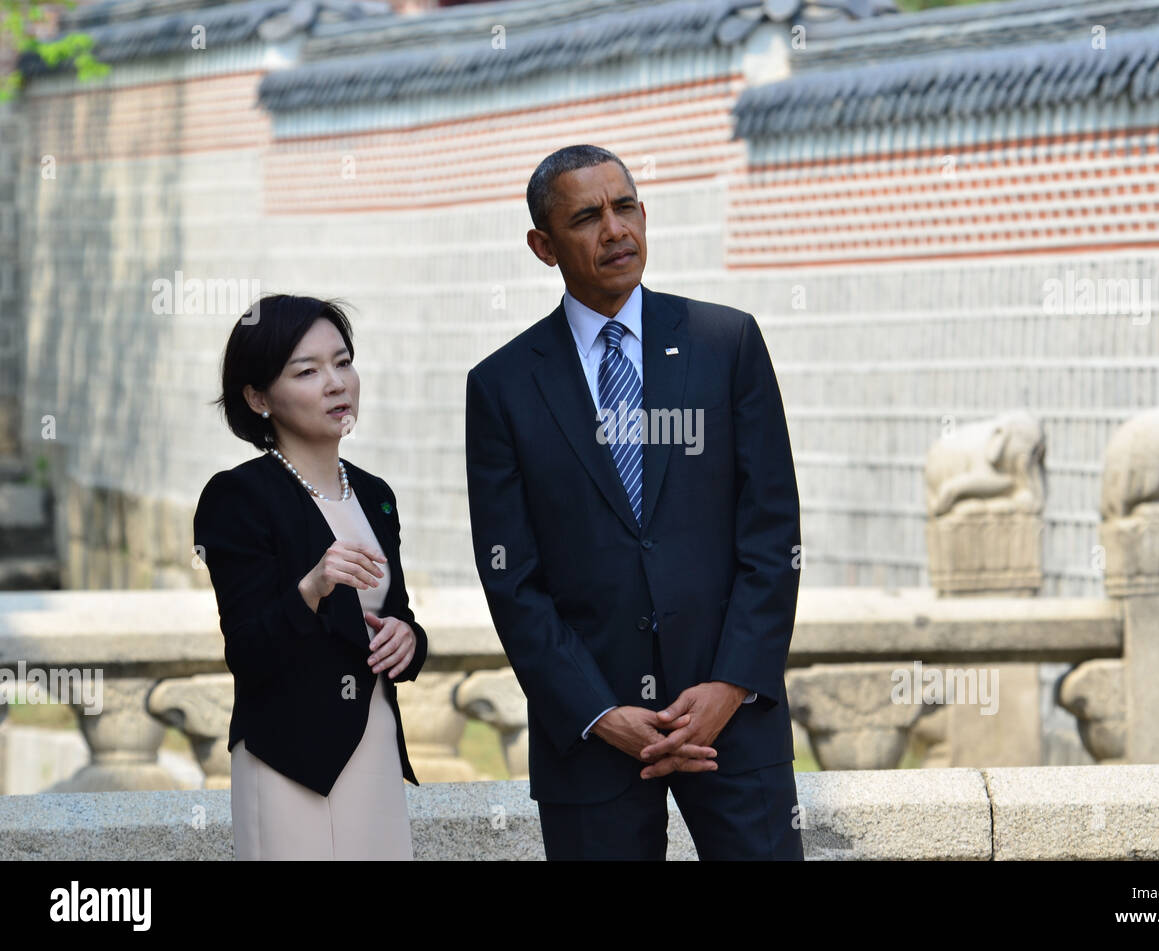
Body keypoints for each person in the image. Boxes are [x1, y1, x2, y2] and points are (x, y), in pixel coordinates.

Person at [464, 145, 803, 859]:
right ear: (543, 245)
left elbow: (772, 531)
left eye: (626, 207)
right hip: (590, 739)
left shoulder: (725, 342)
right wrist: (597, 711)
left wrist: (730, 685)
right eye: (587, 216)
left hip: (732, 724)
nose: (615, 230)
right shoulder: (501, 386)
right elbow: (511, 579)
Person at [194, 294, 428, 860]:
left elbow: (397, 616)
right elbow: (247, 651)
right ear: (258, 397)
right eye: (307, 371)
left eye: (342, 362)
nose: (335, 383)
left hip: (372, 746)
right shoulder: (239, 497)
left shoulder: (375, 495)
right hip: (289, 757)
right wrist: (312, 588)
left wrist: (409, 639)